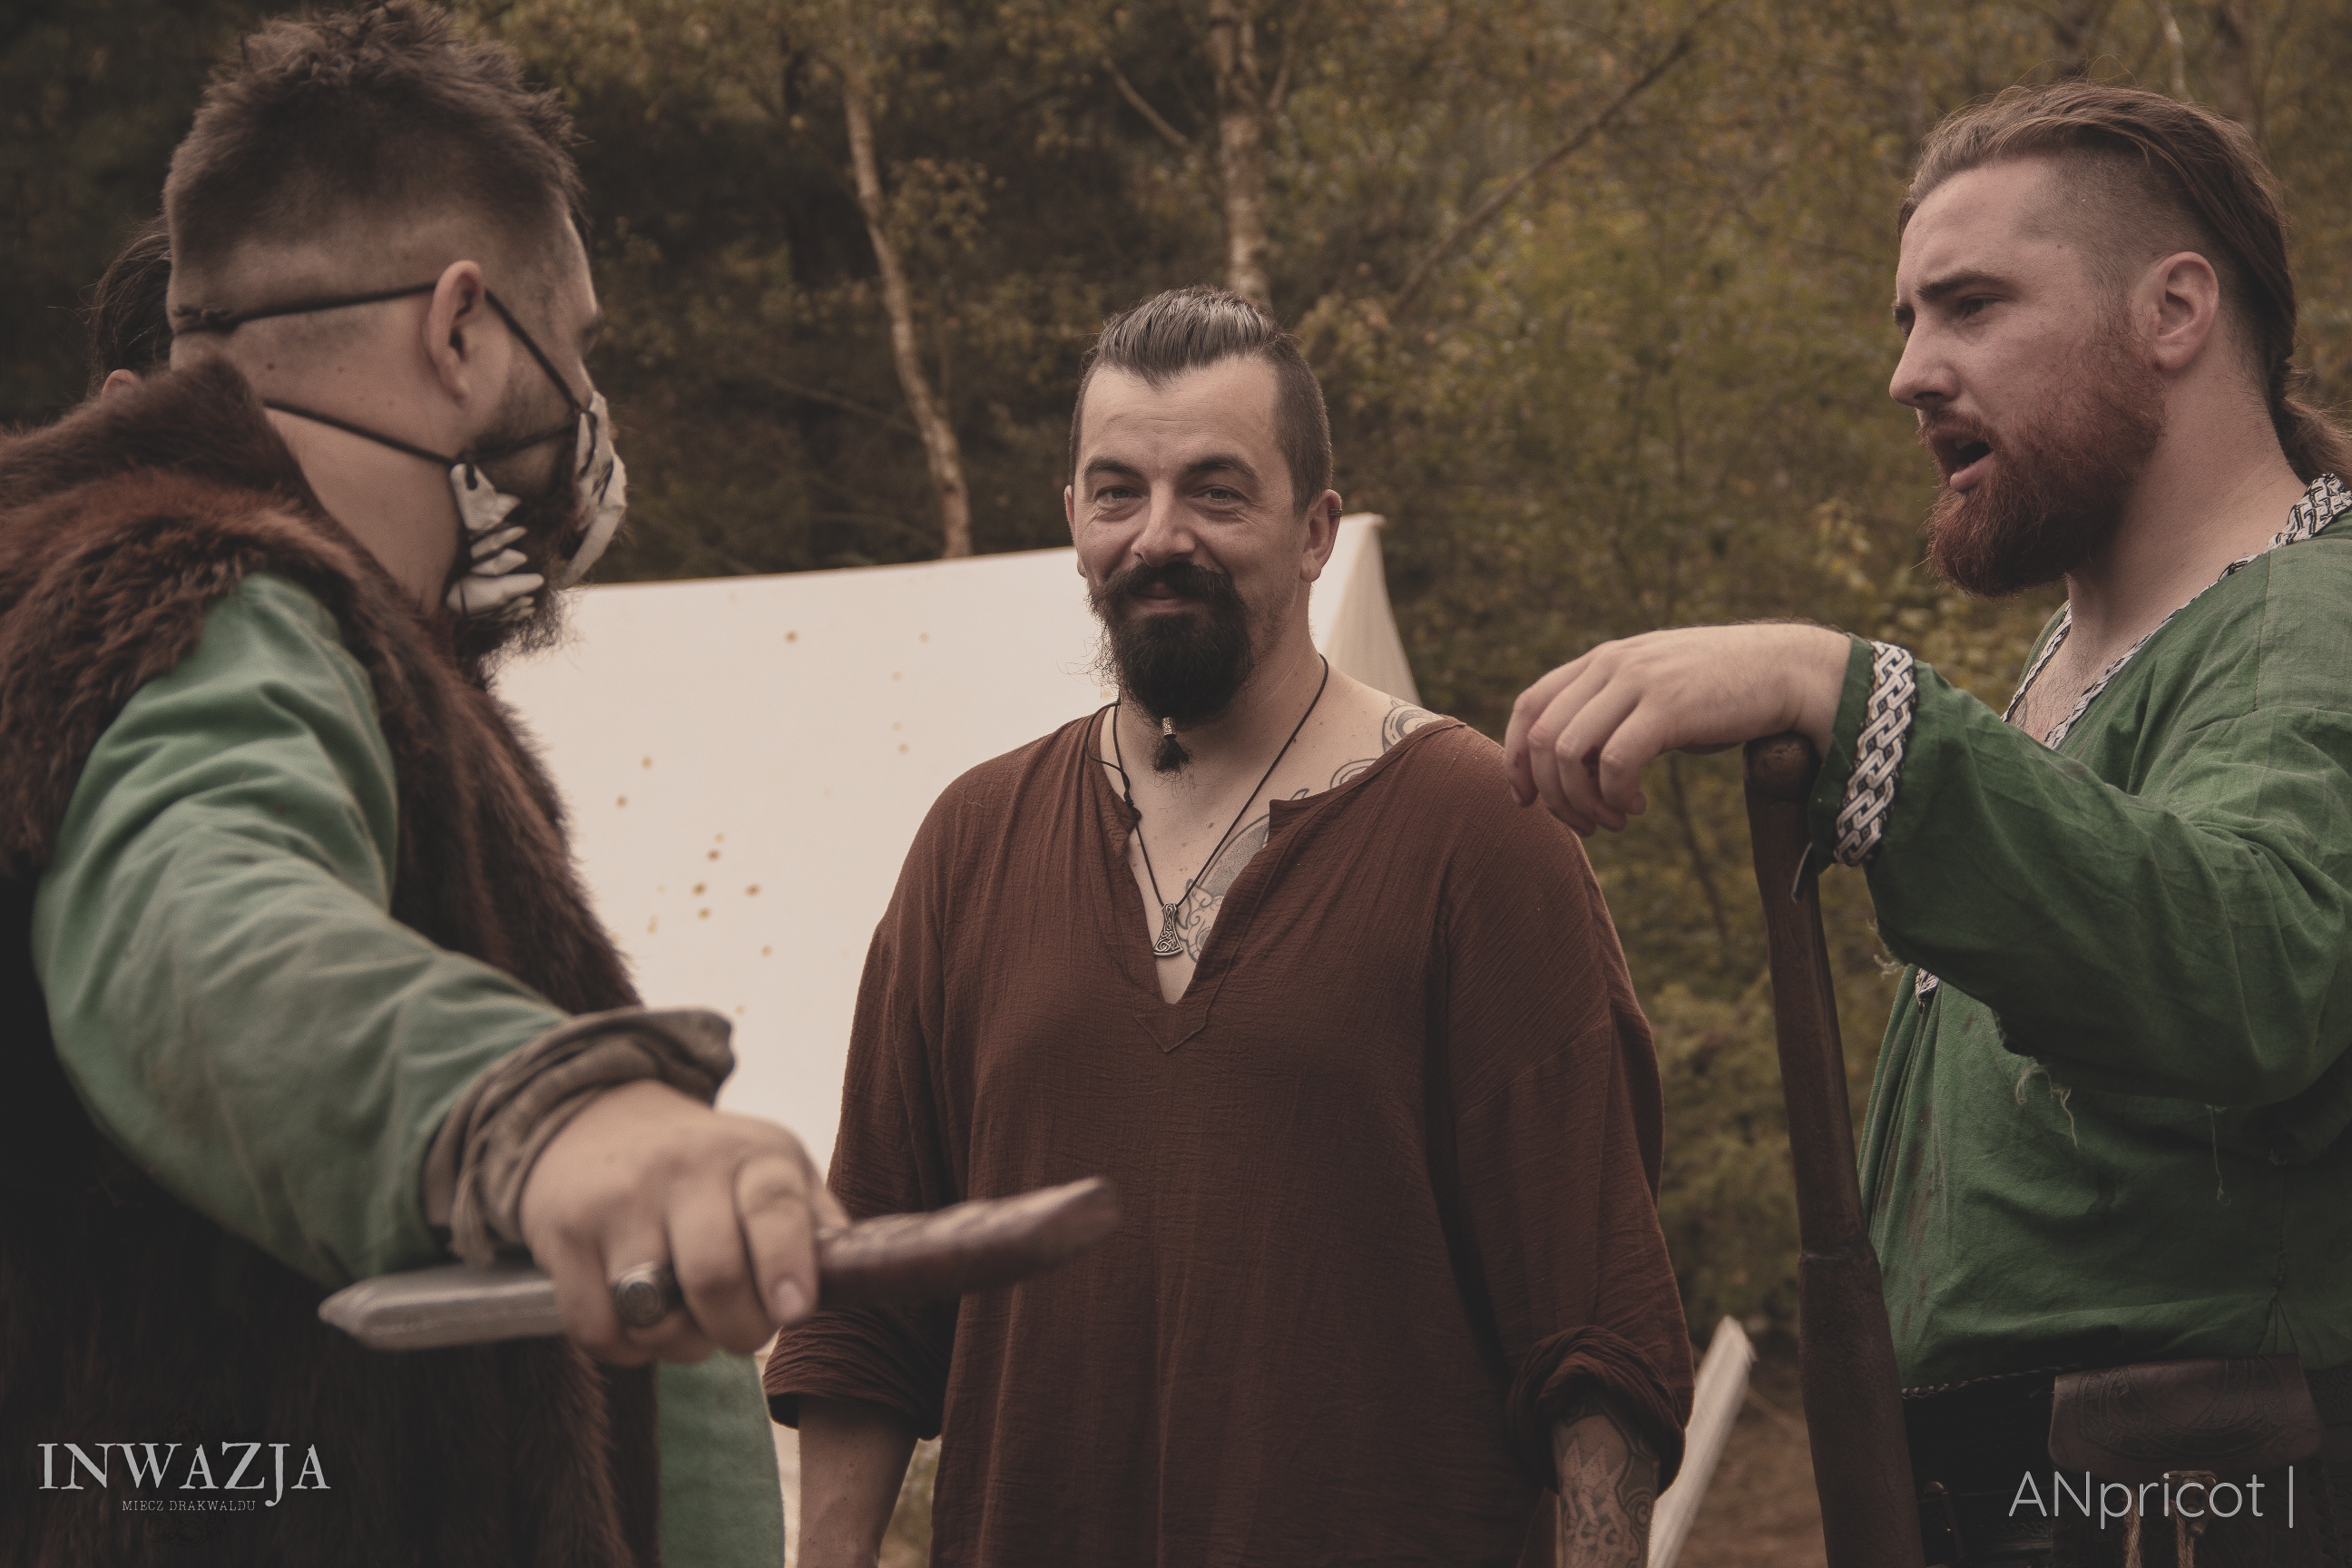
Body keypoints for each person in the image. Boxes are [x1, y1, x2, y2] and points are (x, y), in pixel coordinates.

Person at [0, 5, 840, 1563]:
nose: (583, 403)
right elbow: (195, 919)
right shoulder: (200, 597)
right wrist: (531, 1117)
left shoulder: (241, 610)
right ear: (460, 331)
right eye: (573, 346)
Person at [1506, 82, 2352, 1564]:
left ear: (2174, 312)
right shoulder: (2086, 663)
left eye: (1971, 306)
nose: (1909, 372)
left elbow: (2253, 962)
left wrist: (1845, 691)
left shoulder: (2308, 622)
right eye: (1907, 319)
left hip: (2199, 1505)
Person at [766, 286, 1692, 1567]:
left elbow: (1595, 1337)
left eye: (1216, 491)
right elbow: (863, 1311)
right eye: (1118, 493)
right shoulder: (972, 844)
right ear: (1074, 523)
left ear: (1315, 531)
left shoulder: (1481, 836)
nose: (1160, 536)